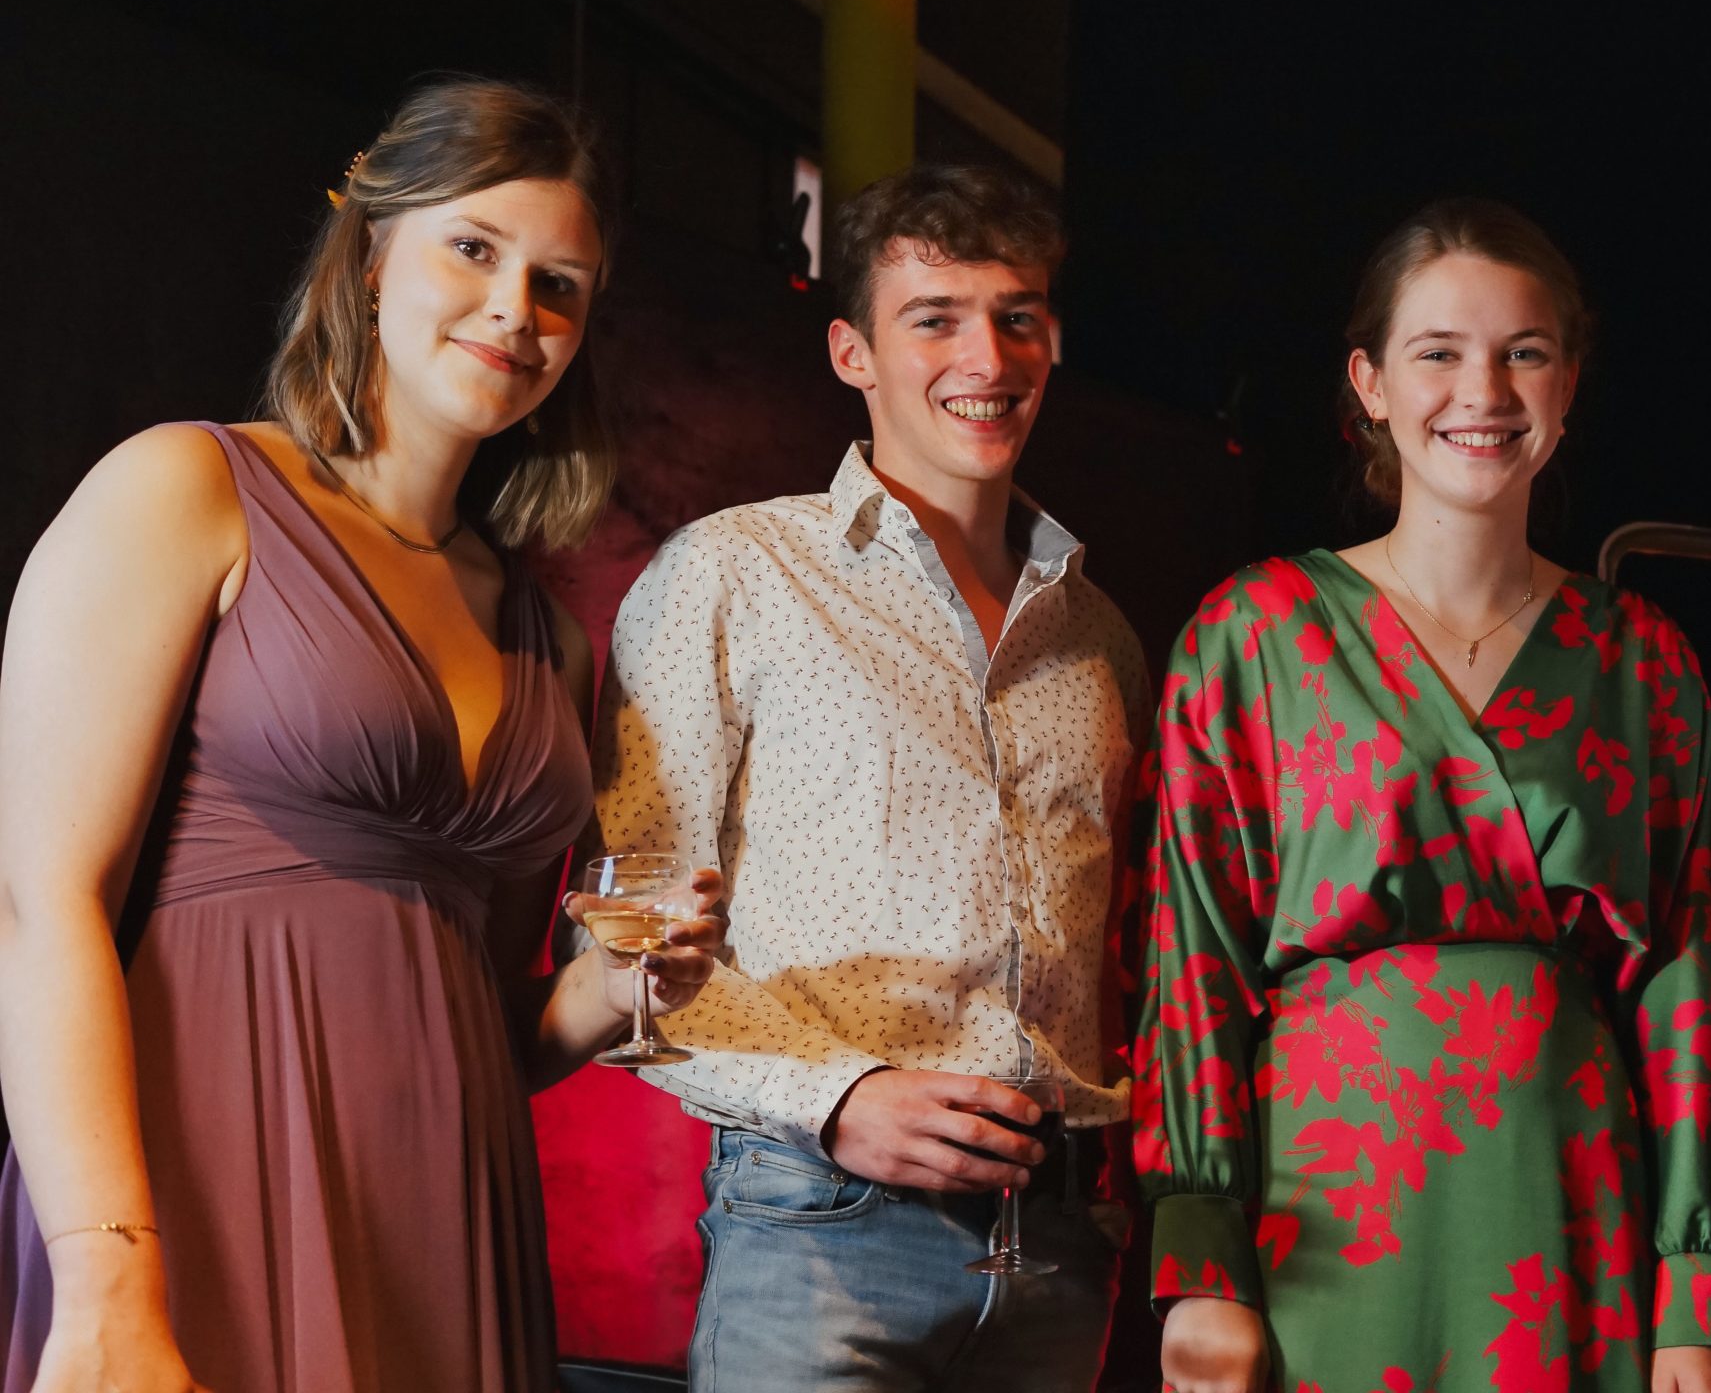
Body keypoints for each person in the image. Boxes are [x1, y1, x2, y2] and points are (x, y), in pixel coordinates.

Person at [0, 78, 725, 1393]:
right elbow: (36, 906)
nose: (514, 309)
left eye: (559, 286)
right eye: (474, 248)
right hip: (198, 1191)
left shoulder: (546, 640)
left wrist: (617, 989)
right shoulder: (187, 488)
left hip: (449, 1218)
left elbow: (484, 1018)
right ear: (373, 246)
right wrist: (106, 1280)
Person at [1138, 199, 1711, 1393]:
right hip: (1322, 1218)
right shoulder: (1253, 632)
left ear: (1566, 385)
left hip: (1568, 1206)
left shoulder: (1640, 658)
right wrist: (1202, 1260)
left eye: (1523, 353)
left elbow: (1688, 989)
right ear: (1369, 383)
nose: (1483, 391)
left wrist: (1693, 1294)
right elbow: (1193, 964)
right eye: (1438, 352)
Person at [593, 162, 1147, 1392]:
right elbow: (624, 938)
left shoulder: (1100, 638)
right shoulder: (734, 574)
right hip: (820, 1226)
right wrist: (839, 1097)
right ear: (853, 351)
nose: (986, 358)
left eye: (1016, 317)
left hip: (1057, 1248)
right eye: (934, 318)